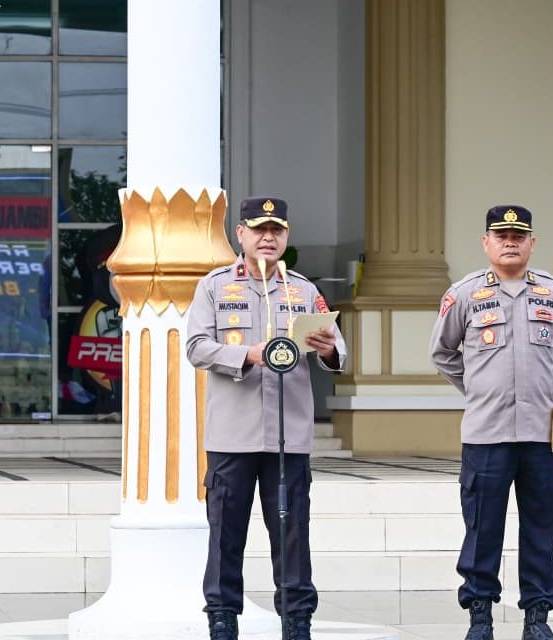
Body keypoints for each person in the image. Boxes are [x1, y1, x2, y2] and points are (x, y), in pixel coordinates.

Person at [186, 196, 347, 640]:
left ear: (286, 236)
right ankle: (222, 618)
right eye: (259, 229)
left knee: (292, 531)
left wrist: (328, 348)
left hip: (288, 435)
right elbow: (196, 347)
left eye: (276, 230)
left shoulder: (303, 290)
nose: (268, 237)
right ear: (240, 234)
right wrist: (247, 355)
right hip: (232, 435)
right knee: (226, 534)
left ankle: (296, 620)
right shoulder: (215, 286)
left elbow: (338, 350)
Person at [430, 205, 553, 640]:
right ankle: (479, 617)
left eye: (519, 235)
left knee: (540, 529)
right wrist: (478, 388)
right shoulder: (464, 294)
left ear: (533, 243)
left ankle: (537, 618)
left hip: (541, 436)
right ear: (486, 243)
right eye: (501, 235)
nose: (510, 241)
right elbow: (442, 352)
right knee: (482, 530)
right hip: (486, 435)